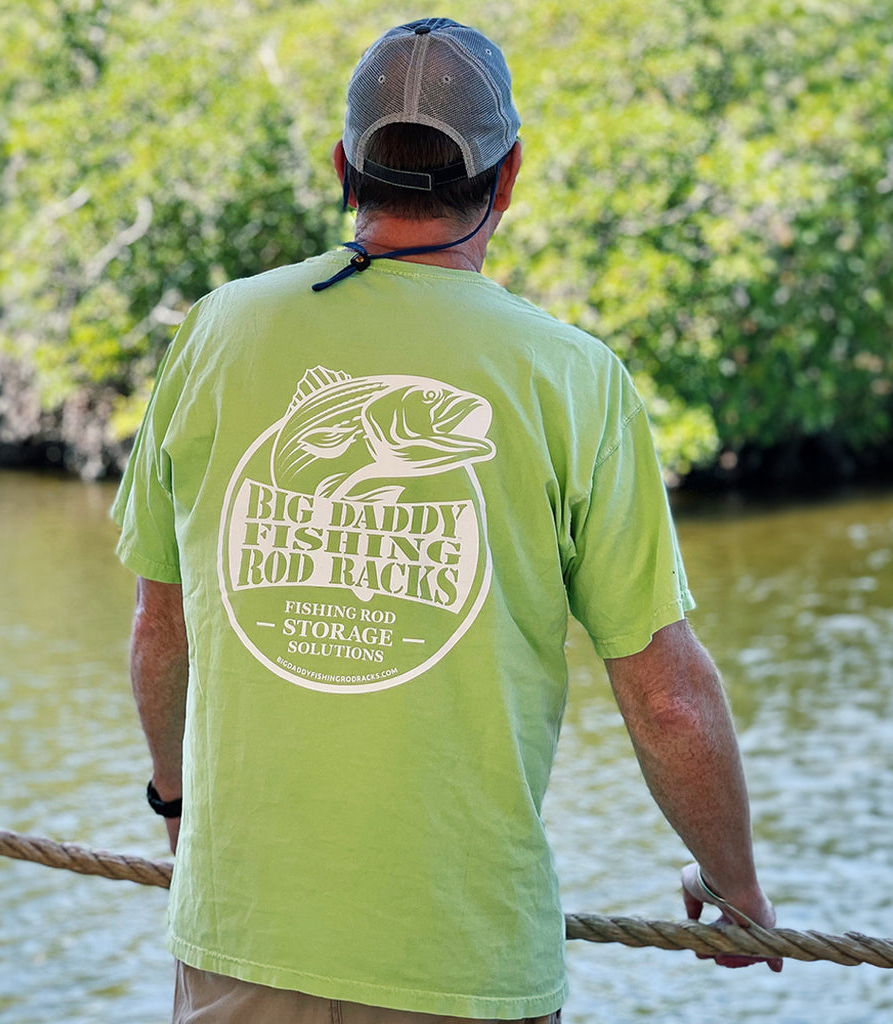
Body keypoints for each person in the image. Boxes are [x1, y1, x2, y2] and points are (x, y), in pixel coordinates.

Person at [112, 17, 779, 1024]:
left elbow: (162, 629)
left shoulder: (218, 328)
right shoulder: (572, 378)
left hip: (237, 940)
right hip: (463, 965)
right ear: (507, 177)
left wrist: (174, 804)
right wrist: (734, 887)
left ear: (345, 167)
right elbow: (667, 700)